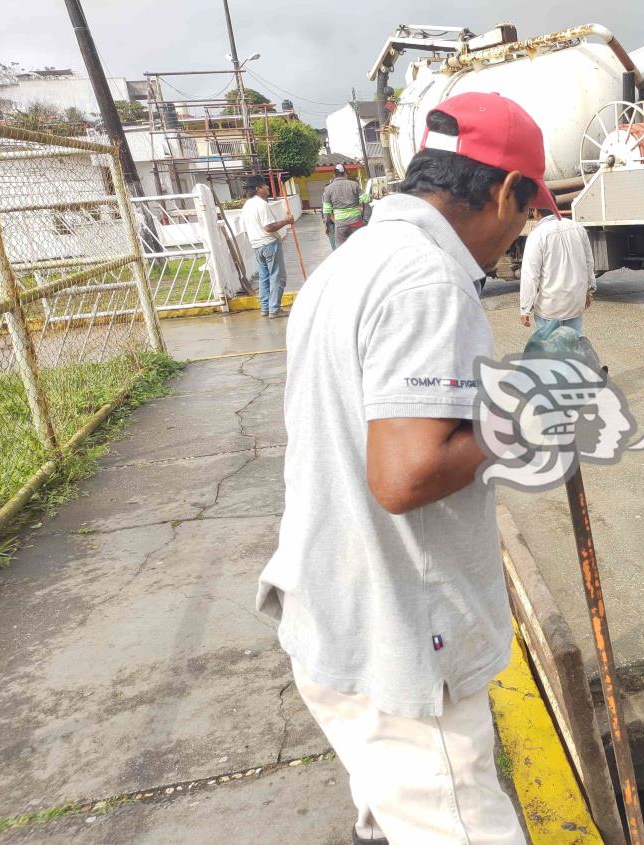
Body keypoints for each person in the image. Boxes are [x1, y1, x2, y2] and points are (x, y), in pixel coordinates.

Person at [256, 91, 559, 844]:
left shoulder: (351, 257)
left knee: (391, 816)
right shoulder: (429, 278)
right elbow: (406, 475)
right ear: (502, 191)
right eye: (525, 210)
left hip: (335, 612)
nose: (519, 232)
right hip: (401, 646)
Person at [518, 208, 596, 343]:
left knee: (550, 351)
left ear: (536, 211)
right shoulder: (577, 228)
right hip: (574, 303)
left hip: (549, 307)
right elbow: (588, 262)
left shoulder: (537, 235)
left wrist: (525, 308)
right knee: (574, 347)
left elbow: (530, 275)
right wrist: (588, 291)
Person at [240, 177, 293, 318]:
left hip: (257, 246)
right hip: (269, 243)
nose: (268, 188)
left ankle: (265, 308)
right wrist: (286, 221)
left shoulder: (247, 205)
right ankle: (274, 309)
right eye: (265, 186)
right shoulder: (261, 205)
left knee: (264, 277)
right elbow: (269, 227)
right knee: (277, 277)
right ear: (258, 188)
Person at [322, 163, 370, 247]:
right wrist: (371, 196)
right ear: (344, 174)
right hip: (355, 222)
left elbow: (326, 210)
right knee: (359, 246)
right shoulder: (354, 184)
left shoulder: (328, 189)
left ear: (334, 175)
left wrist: (327, 225)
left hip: (341, 224)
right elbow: (366, 199)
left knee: (341, 249)